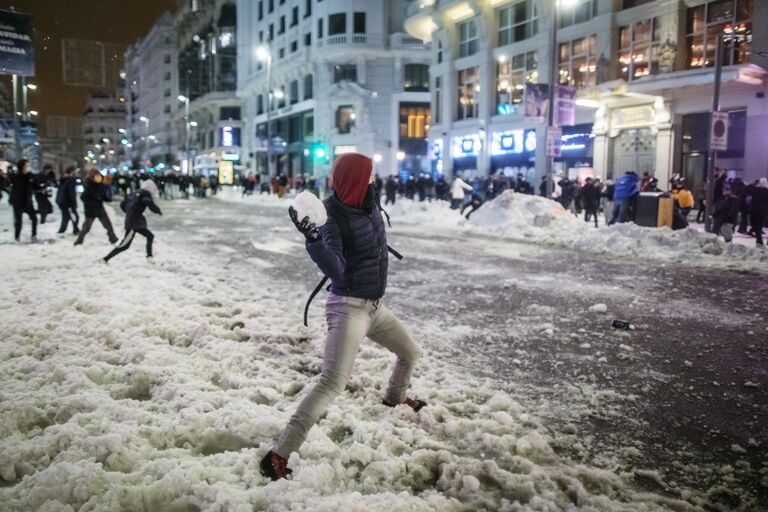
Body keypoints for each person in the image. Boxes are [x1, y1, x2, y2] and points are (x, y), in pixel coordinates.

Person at [261, 153, 424, 481]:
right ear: (353, 178)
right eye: (368, 175)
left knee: (410, 353)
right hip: (348, 308)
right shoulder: (331, 217)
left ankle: (394, 397)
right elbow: (336, 269)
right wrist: (314, 240)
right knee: (332, 382)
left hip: (374, 306)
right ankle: (278, 454)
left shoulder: (369, 201)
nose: (373, 180)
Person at [104, 179, 162, 262]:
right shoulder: (146, 194)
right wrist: (157, 210)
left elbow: (122, 204)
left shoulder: (134, 193)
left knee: (150, 236)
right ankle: (106, 258)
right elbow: (147, 201)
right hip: (133, 224)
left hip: (135, 222)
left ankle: (149, 256)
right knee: (124, 245)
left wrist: (129, 212)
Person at [74, 168, 119, 246]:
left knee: (108, 225)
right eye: (96, 175)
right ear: (92, 176)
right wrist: (93, 200)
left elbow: (103, 195)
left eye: (98, 175)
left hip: (99, 208)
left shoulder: (100, 184)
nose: (98, 177)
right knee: (86, 227)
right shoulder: (88, 185)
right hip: (90, 210)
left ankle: (113, 239)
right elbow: (83, 197)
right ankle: (79, 241)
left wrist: (106, 198)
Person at [9, 159, 38, 242]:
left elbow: (36, 186)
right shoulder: (16, 177)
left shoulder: (31, 176)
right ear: (22, 167)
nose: (29, 167)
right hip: (18, 203)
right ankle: (17, 237)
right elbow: (12, 188)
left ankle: (34, 235)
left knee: (34, 219)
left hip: (28, 202)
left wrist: (42, 188)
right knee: (18, 222)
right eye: (27, 165)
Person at [56, 166, 80, 235]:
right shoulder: (71, 180)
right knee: (74, 216)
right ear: (72, 172)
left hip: (61, 201)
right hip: (67, 202)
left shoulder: (63, 179)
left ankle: (73, 230)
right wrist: (74, 204)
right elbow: (71, 193)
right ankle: (74, 230)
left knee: (67, 216)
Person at [748, 178, 768, 246]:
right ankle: (759, 240)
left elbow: (751, 199)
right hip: (763, 212)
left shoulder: (755, 190)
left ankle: (759, 240)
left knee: (755, 225)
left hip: (754, 211)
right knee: (759, 226)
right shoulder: (767, 192)